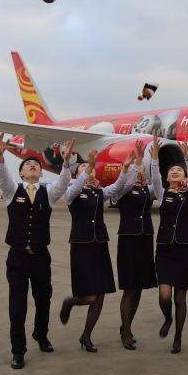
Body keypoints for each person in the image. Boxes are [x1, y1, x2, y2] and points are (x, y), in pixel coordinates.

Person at [0, 134, 74, 370]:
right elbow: (3, 177)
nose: (33, 165)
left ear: (41, 174)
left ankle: (41, 334)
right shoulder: (12, 191)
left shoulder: (48, 193)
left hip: (40, 257)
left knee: (43, 299)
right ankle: (18, 351)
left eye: (36, 165)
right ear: (21, 174)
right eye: (28, 164)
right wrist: (0, 156)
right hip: (17, 258)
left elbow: (63, 183)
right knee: (17, 306)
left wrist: (66, 162)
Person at [59, 149, 130, 353]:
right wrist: (89, 166)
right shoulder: (72, 192)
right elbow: (75, 187)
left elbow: (117, 187)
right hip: (81, 246)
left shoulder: (100, 192)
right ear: (77, 175)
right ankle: (70, 302)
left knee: (100, 295)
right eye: (82, 167)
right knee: (89, 296)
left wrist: (125, 169)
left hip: (99, 245)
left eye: (89, 167)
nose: (87, 169)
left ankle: (86, 336)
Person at [149, 137, 188, 354]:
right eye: (172, 171)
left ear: (185, 176)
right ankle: (167, 318)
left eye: (179, 170)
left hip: (184, 250)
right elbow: (155, 177)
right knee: (164, 295)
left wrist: (187, 157)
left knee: (180, 298)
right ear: (167, 177)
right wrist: (154, 158)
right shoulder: (162, 194)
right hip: (165, 250)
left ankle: (178, 336)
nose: (175, 172)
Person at [114, 141, 157, 350]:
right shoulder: (123, 191)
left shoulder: (148, 191)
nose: (140, 176)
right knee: (129, 288)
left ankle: (126, 326)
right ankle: (125, 330)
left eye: (142, 174)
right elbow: (126, 181)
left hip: (145, 240)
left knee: (139, 288)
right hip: (129, 241)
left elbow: (157, 182)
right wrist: (135, 164)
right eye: (138, 173)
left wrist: (151, 161)